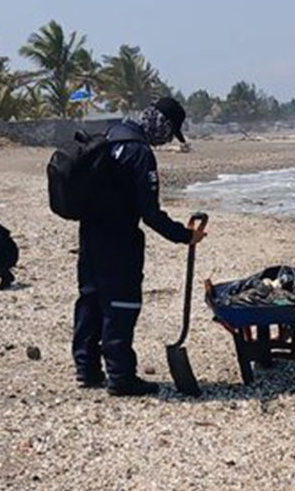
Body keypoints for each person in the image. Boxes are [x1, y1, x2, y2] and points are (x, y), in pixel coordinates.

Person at [73, 97, 207, 397]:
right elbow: (150, 213)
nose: (167, 140)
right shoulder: (139, 152)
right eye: (171, 132)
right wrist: (185, 236)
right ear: (163, 124)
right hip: (119, 239)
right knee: (121, 303)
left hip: (90, 232)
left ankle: (87, 368)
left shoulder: (112, 135)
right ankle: (121, 377)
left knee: (91, 298)